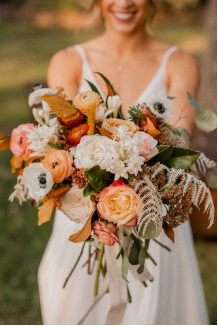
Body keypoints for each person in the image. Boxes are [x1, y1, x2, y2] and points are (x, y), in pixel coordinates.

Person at [38, 0, 209, 324]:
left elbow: (177, 150)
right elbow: (63, 143)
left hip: (154, 218)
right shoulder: (68, 61)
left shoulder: (181, 62)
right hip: (84, 220)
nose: (125, 2)